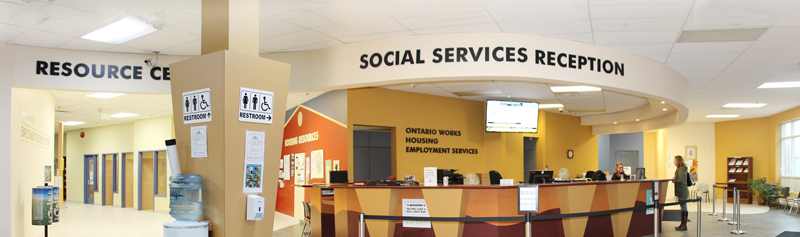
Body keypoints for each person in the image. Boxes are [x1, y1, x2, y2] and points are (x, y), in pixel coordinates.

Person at [672, 155, 690, 231]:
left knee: (684, 208)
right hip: (681, 191)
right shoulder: (680, 169)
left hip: (682, 191)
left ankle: (684, 225)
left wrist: (675, 180)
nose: (674, 162)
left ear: (678, 161)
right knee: (683, 207)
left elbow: (682, 181)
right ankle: (682, 224)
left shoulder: (682, 169)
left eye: (675, 160)